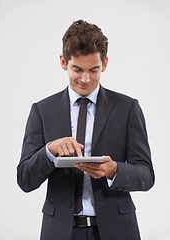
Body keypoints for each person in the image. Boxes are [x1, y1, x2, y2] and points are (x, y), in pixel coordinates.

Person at [17, 19, 155, 240]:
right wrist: (49, 151)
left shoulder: (127, 108)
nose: (85, 79)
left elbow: (147, 175)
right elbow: (24, 179)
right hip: (60, 231)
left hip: (117, 229)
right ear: (63, 62)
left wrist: (113, 170)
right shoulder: (42, 111)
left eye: (94, 70)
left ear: (105, 64)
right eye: (77, 69)